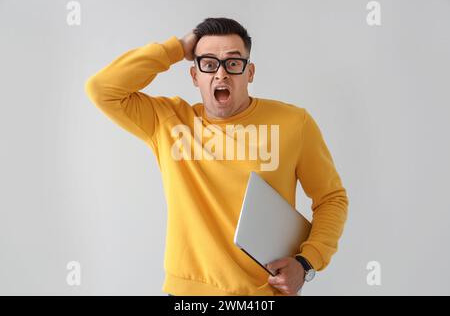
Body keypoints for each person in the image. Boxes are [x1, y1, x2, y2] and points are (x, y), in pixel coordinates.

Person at [85, 17, 349, 296]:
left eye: (233, 64)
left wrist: (306, 263)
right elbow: (102, 89)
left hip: (263, 293)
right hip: (188, 295)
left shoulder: (294, 123)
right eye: (209, 63)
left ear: (250, 73)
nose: (221, 74)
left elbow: (332, 199)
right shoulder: (168, 122)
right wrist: (177, 48)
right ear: (194, 76)